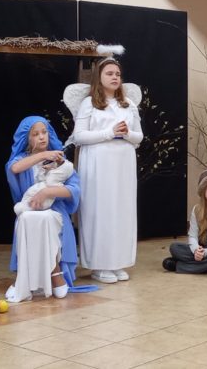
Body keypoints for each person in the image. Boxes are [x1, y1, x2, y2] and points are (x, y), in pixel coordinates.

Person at [6, 116, 96, 303]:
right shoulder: (23, 159)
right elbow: (14, 168)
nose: (41, 137)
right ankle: (47, 276)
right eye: (35, 134)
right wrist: (42, 155)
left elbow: (73, 190)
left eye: (44, 132)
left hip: (55, 209)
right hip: (30, 208)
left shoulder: (60, 160)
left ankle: (54, 274)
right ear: (27, 138)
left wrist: (47, 192)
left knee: (47, 219)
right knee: (28, 219)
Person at [71, 58, 143, 284]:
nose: (114, 77)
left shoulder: (128, 104)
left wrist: (126, 133)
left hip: (123, 164)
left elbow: (139, 137)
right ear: (99, 77)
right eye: (110, 73)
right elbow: (79, 136)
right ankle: (100, 264)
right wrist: (109, 133)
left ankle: (118, 261)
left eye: (117, 74)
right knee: (100, 210)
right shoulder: (89, 104)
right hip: (98, 163)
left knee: (122, 210)